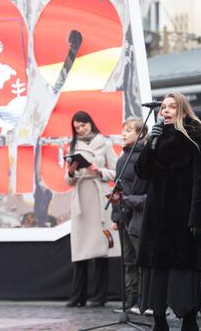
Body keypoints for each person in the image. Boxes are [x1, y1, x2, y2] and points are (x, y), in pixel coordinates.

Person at [135, 93, 201, 331]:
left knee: (182, 271)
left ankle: (188, 318)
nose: (165, 111)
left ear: (182, 109)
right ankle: (159, 319)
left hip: (183, 214)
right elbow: (142, 173)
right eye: (163, 107)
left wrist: (198, 216)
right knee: (157, 270)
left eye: (171, 107)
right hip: (156, 216)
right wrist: (149, 145)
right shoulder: (157, 136)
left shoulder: (195, 133)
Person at [64, 110, 119, 308]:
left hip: (98, 195)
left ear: (90, 123)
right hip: (80, 198)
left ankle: (99, 295)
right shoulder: (73, 146)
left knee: (100, 247)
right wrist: (71, 171)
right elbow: (67, 180)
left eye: (83, 125)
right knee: (80, 249)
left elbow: (115, 171)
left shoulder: (104, 142)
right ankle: (77, 296)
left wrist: (99, 170)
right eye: (77, 127)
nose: (80, 129)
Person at [111, 118, 148, 312]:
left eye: (128, 131)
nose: (123, 134)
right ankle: (131, 300)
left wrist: (129, 201)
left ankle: (144, 300)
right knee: (128, 260)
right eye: (123, 130)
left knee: (140, 260)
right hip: (124, 215)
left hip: (138, 215)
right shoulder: (121, 158)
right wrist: (116, 217)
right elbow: (119, 188)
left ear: (141, 134)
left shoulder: (144, 158)